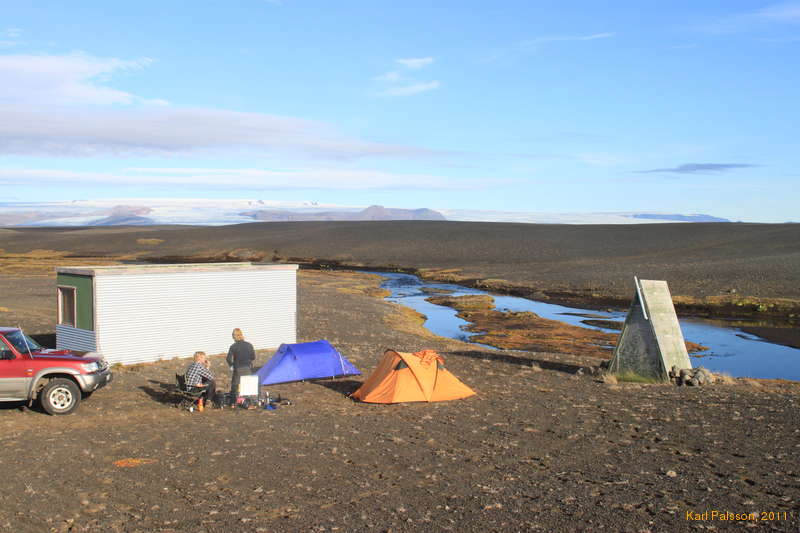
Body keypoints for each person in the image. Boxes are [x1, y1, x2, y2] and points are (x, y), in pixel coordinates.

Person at [226, 328, 255, 396]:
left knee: (235, 386)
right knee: (247, 386)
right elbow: (253, 357)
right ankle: (247, 400)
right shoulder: (249, 345)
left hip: (237, 368)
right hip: (247, 368)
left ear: (234, 336)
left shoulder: (233, 346)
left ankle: (233, 402)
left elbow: (228, 359)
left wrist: (231, 365)